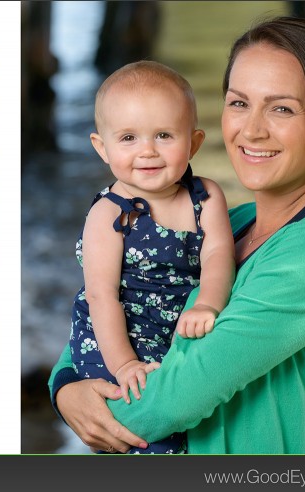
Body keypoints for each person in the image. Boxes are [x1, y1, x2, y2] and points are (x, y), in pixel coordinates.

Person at [49, 16, 305, 454]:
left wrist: (79, 401)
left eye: (281, 108)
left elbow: (170, 402)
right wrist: (67, 384)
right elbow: (102, 305)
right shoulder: (233, 222)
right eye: (239, 103)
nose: (252, 129)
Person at [66, 61, 235, 454]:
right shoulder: (108, 214)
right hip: (118, 337)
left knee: (196, 427)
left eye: (163, 135)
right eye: (128, 138)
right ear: (101, 147)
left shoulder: (205, 196)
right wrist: (124, 364)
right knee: (147, 434)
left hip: (177, 325)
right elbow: (100, 297)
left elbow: (218, 252)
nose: (147, 151)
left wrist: (209, 302)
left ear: (193, 143)